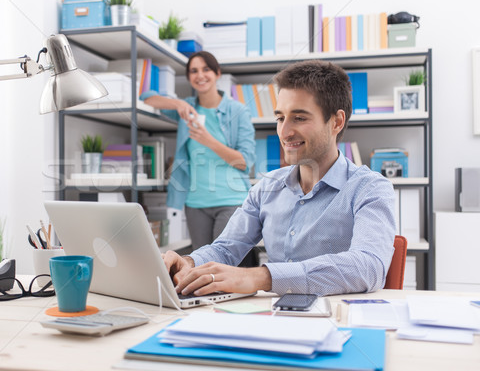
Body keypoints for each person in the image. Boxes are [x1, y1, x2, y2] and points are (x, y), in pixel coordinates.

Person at [162, 60, 396, 297]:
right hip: (274, 318)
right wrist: (189, 262)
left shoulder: (370, 188)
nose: (284, 132)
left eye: (299, 118)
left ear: (336, 122)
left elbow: (368, 266)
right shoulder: (267, 187)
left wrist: (262, 277)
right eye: (280, 118)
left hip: (337, 322)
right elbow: (226, 249)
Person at [140, 51, 256, 251]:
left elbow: (244, 162)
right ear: (188, 77)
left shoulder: (238, 111)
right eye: (193, 71)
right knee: (201, 267)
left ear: (217, 73)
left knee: (223, 265)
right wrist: (178, 103)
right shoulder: (187, 110)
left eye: (206, 69)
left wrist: (208, 140)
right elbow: (147, 98)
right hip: (195, 203)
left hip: (231, 200)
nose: (200, 75)